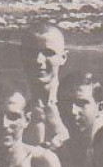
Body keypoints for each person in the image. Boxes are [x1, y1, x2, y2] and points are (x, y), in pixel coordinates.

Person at [56, 71, 103, 167]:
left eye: (81, 103)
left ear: (100, 107)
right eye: (66, 103)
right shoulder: (59, 153)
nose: (72, 111)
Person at [21, 21, 71, 149]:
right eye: (31, 52)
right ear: (21, 55)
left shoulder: (80, 102)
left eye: (48, 53)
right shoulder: (10, 101)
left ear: (63, 57)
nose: (38, 60)